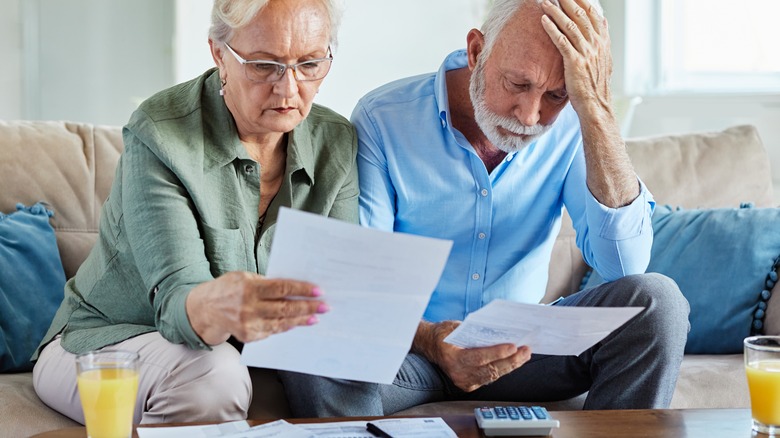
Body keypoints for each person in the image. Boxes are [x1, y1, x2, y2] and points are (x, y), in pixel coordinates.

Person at [280, 0, 690, 416]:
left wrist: (596, 112)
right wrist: (433, 340)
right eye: (517, 84)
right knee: (309, 332)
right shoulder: (383, 119)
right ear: (477, 52)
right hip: (411, 353)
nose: (531, 116)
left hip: (524, 351)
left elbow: (626, 264)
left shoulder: (574, 123)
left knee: (658, 302)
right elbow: (365, 288)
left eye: (556, 94)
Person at [32, 0, 357, 425]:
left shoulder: (336, 141)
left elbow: (342, 292)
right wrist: (225, 303)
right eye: (263, 65)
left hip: (241, 353)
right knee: (213, 376)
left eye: (310, 63)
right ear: (219, 54)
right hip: (108, 342)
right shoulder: (160, 134)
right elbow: (175, 302)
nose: (288, 88)